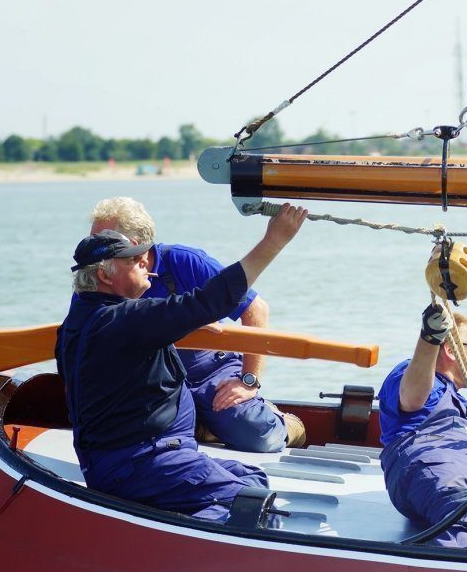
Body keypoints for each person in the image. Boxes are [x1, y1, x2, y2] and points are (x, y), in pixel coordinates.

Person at [55, 204, 307, 521]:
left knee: (252, 478)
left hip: (124, 461)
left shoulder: (80, 321)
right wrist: (274, 241)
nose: (143, 262)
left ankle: (180, 524)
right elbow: (209, 300)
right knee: (255, 507)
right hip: (145, 461)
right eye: (132, 260)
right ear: (105, 275)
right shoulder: (128, 320)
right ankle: (184, 548)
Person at [87, 197, 303, 453]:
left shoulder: (184, 261)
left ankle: (288, 425)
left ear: (135, 247)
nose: (92, 248)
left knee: (255, 434)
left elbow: (256, 309)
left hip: (209, 372)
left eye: (100, 240)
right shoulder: (98, 274)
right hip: (152, 380)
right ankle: (202, 427)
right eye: (92, 239)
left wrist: (248, 381)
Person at [378, 304, 467, 548]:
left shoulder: (459, 403)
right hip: (431, 466)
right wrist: (429, 339)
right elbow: (412, 398)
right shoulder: (414, 375)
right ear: (451, 350)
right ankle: (439, 570)